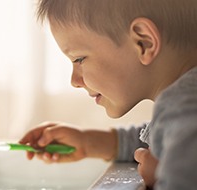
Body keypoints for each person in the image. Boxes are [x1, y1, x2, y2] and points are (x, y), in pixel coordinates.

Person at [19, 0, 197, 189]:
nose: (74, 80)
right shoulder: (182, 109)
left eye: (79, 59)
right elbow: (163, 134)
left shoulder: (185, 108)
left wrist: (159, 178)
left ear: (144, 42)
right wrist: (90, 143)